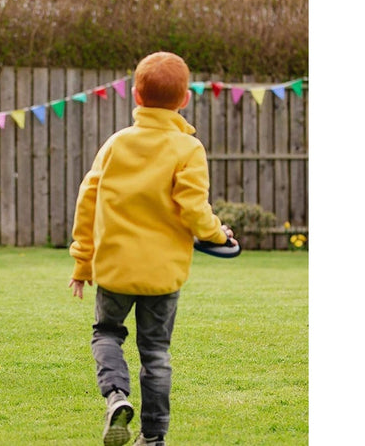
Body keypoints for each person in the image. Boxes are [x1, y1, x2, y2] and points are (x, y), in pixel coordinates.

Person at [68, 52, 237, 446]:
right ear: (184, 100)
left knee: (107, 334)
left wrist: (82, 261)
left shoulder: (116, 144)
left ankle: (116, 396)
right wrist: (219, 235)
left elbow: (87, 202)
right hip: (163, 274)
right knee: (156, 353)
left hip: (114, 269)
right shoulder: (188, 149)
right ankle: (154, 437)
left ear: (136, 95)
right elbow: (195, 209)